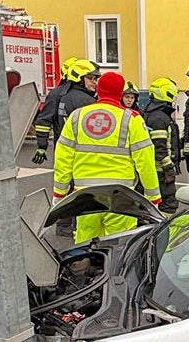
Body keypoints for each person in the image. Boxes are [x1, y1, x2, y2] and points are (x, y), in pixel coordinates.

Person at [53, 72, 160, 242]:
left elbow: (63, 157)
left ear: (98, 90)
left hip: (85, 197)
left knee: (85, 248)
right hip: (120, 196)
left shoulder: (77, 116)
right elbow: (145, 161)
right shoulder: (131, 119)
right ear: (120, 93)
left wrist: (59, 194)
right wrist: (153, 196)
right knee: (119, 247)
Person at [32, 58, 97, 165]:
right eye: (91, 78)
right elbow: (44, 121)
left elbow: (43, 120)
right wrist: (42, 145)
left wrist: (42, 146)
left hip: (63, 147)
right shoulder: (58, 94)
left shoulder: (60, 93)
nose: (94, 82)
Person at [144, 77, 182, 214]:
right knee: (169, 203)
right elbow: (159, 148)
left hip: (153, 170)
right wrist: (168, 167)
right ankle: (166, 231)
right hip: (161, 171)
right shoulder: (159, 118)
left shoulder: (151, 114)